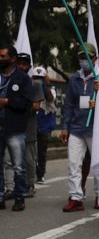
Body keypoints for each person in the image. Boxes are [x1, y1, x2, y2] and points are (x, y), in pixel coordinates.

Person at [61, 43, 99, 212]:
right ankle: (76, 197)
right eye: (81, 57)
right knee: (74, 163)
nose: (84, 60)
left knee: (98, 162)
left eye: (87, 57)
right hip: (76, 127)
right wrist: (65, 127)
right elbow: (69, 104)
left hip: (96, 129)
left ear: (95, 59)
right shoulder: (74, 78)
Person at [0, 45, 34, 211]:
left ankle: (20, 197)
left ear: (12, 59)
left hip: (14, 128)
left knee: (18, 166)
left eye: (3, 56)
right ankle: (0, 196)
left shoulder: (23, 79)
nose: (0, 59)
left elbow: (27, 104)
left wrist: (7, 102)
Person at [16, 53, 45, 198]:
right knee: (12, 160)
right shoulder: (11, 83)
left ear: (29, 66)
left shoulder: (35, 85)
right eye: (19, 63)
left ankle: (30, 185)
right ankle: (14, 186)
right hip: (13, 128)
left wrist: (14, 104)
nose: (21, 66)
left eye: (24, 64)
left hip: (29, 128)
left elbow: (35, 106)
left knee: (29, 159)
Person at [34, 67, 56, 184]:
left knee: (42, 151)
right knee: (31, 152)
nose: (39, 81)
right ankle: (31, 174)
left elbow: (50, 99)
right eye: (36, 78)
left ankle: (40, 174)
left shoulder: (51, 89)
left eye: (41, 78)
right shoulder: (29, 87)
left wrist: (45, 86)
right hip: (32, 124)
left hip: (44, 125)